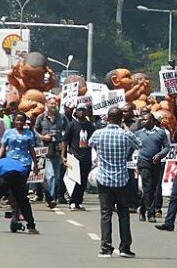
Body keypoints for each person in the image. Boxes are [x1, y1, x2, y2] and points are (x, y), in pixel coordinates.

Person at [88, 107, 142, 258]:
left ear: (108, 119)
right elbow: (139, 145)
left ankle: (105, 247)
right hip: (121, 179)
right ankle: (125, 247)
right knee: (124, 214)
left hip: (104, 178)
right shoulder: (125, 134)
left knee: (105, 214)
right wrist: (124, 128)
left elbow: (90, 143)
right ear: (120, 120)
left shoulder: (99, 134)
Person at [0, 157, 39, 234]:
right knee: (23, 201)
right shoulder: (17, 162)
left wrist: (0, 193)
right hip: (19, 175)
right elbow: (22, 177)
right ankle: (32, 227)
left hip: (5, 176)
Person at [133, 112, 170, 222]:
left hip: (156, 163)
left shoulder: (161, 133)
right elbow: (132, 146)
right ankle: (151, 213)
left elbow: (167, 147)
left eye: (145, 120)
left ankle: (143, 209)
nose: (143, 121)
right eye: (142, 120)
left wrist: (160, 155)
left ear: (152, 121)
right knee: (147, 186)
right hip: (143, 162)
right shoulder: (138, 133)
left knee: (153, 188)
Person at [34, 98, 68, 208]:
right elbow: (35, 131)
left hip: (57, 150)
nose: (54, 105)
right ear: (46, 104)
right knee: (50, 176)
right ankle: (51, 198)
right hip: (44, 149)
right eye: (51, 103)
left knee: (57, 176)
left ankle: (50, 196)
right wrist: (42, 137)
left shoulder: (61, 117)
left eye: (55, 104)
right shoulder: (41, 117)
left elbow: (67, 132)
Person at [62, 103, 96, 211]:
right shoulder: (72, 125)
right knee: (74, 180)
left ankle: (78, 202)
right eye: (79, 110)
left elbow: (94, 142)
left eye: (83, 110)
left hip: (86, 157)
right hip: (74, 156)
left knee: (83, 181)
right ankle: (72, 201)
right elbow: (65, 141)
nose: (81, 112)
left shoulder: (90, 126)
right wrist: (63, 156)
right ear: (76, 112)